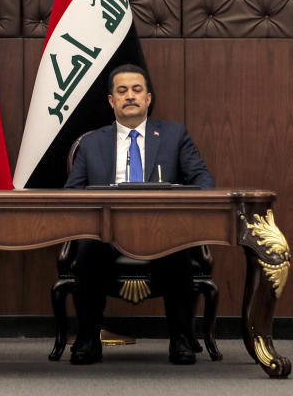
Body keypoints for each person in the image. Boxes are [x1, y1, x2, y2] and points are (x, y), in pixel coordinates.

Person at [64, 63, 215, 366]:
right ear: (111, 101)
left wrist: (175, 205)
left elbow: (204, 183)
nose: (129, 96)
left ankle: (183, 339)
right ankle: (88, 340)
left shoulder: (174, 135)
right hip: (106, 232)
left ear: (148, 98)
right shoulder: (92, 143)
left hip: (162, 231)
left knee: (180, 250)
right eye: (122, 91)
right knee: (88, 250)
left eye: (136, 90)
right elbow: (71, 193)